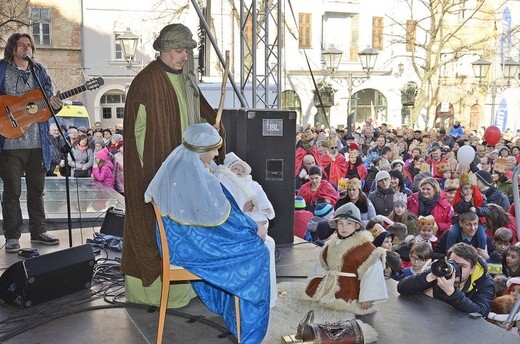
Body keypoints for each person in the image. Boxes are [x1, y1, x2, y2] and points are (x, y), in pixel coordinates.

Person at [122, 23, 225, 308]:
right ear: (165, 50)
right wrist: (149, 176)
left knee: (186, 228)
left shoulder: (188, 80)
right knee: (152, 230)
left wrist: (215, 129)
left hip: (188, 174)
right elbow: (137, 135)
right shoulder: (146, 82)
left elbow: (206, 117)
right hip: (156, 173)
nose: (184, 56)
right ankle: (152, 292)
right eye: (179, 51)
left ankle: (185, 287)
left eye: (187, 51)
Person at [145, 123, 269, 343]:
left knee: (247, 242)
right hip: (188, 247)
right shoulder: (198, 175)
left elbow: (215, 217)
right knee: (257, 252)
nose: (217, 153)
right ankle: (249, 331)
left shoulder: (180, 163)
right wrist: (252, 229)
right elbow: (224, 218)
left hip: (180, 242)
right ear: (201, 150)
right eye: (214, 148)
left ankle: (233, 315)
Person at [0, 32, 62, 252]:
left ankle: (38, 231)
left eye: (29, 45)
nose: (26, 48)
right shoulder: (2, 69)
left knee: (37, 191)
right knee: (12, 192)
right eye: (21, 45)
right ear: (12, 48)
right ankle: (12, 237)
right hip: (10, 143)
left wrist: (56, 105)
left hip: (38, 143)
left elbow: (49, 103)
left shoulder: (39, 71)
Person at [216, 151, 277, 307]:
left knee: (268, 242)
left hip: (248, 221)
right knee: (266, 246)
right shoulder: (222, 179)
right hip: (232, 227)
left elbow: (264, 207)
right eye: (236, 169)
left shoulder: (252, 184)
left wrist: (256, 213)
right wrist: (242, 215)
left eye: (242, 170)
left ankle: (267, 298)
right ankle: (251, 298)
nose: (239, 172)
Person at [304, 202, 388, 314]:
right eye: (340, 224)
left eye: (349, 223)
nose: (344, 227)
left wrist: (368, 297)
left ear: (357, 225)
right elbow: (321, 267)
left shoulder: (367, 248)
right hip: (329, 285)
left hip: (350, 290)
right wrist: (312, 282)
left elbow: (373, 272)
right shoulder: (330, 245)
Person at [398, 242, 494, 316]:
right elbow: (402, 288)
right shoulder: (443, 269)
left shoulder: (484, 282)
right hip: (438, 321)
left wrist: (452, 292)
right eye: (453, 263)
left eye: (463, 266)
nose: (456, 269)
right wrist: (430, 277)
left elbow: (481, 312)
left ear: (472, 269)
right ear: (447, 260)